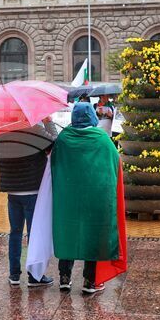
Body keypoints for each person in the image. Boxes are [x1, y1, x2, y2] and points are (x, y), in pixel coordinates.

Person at [33, 102, 123, 294]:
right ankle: (90, 281)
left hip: (68, 199)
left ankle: (65, 278)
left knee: (69, 233)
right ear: (92, 117)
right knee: (93, 235)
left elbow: (54, 164)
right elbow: (115, 164)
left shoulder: (64, 138)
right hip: (95, 198)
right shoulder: (102, 139)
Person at [0, 120, 57, 286]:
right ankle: (34, 277)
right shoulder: (35, 130)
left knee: (15, 232)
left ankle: (14, 275)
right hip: (32, 189)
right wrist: (49, 122)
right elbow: (56, 145)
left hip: (12, 190)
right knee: (34, 233)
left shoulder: (3, 132)